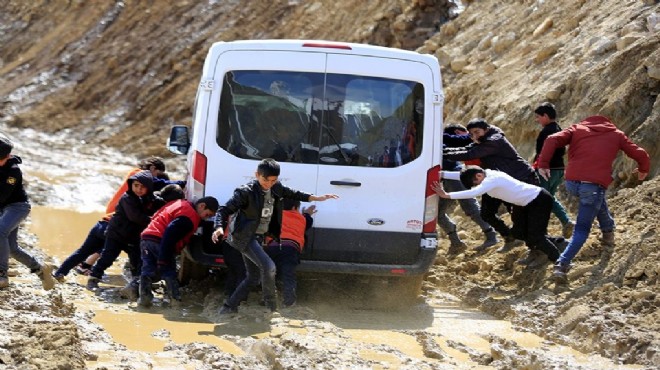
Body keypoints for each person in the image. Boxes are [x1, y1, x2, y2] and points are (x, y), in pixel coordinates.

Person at [211, 158, 338, 313]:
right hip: (243, 236)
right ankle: (272, 310)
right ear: (257, 175)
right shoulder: (245, 192)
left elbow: (294, 193)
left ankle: (228, 307)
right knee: (269, 267)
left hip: (258, 237)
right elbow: (223, 210)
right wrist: (218, 227)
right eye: (265, 180)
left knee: (253, 277)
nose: (269, 184)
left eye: (273, 180)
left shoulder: (276, 187)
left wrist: (317, 198)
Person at [537, 115, 650, 284]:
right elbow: (640, 153)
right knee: (582, 228)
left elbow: (552, 139)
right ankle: (562, 264)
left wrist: (543, 163)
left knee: (595, 201)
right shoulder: (616, 134)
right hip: (593, 186)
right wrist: (643, 169)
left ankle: (608, 233)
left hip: (572, 184)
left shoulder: (577, 129)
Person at [71, 157, 185, 276]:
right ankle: (86, 265)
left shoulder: (136, 175)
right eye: (157, 173)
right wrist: (181, 183)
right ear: (152, 168)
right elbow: (159, 184)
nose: (155, 176)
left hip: (118, 209)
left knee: (110, 243)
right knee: (112, 242)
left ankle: (86, 265)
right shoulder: (140, 176)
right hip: (120, 211)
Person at [433, 166, 564, 268]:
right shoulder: (483, 174)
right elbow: (464, 174)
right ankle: (544, 248)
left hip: (538, 200)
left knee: (536, 235)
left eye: (476, 182)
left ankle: (560, 261)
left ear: (479, 176)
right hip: (523, 204)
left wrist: (447, 195)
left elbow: (475, 192)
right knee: (518, 232)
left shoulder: (492, 179)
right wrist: (442, 174)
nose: (478, 185)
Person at [443, 118, 537, 254]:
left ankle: (538, 249)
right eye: (471, 134)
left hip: (520, 179)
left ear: (486, 129)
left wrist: (443, 153)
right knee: (487, 213)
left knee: (523, 217)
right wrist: (445, 152)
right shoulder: (482, 140)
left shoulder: (494, 140)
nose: (474, 137)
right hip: (496, 182)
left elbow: (470, 153)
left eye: (477, 132)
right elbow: (466, 149)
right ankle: (509, 238)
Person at [86, 170, 164, 291]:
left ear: (149, 187)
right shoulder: (127, 198)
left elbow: (162, 204)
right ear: (131, 185)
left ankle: (137, 284)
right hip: (117, 234)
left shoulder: (152, 200)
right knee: (108, 257)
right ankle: (93, 278)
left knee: (137, 260)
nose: (139, 189)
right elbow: (136, 217)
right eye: (136, 185)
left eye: (142, 187)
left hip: (134, 236)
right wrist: (157, 221)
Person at [138, 196, 219, 307]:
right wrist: (163, 258)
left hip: (147, 237)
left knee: (147, 269)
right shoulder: (188, 219)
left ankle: (144, 300)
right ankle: (175, 301)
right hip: (160, 241)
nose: (206, 218)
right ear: (202, 206)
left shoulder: (183, 205)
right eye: (208, 215)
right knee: (169, 271)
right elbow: (169, 234)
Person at [0, 136, 55, 290]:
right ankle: (41, 270)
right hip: (4, 209)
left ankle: (2, 275)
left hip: (18, 207)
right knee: (12, 249)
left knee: (0, 232)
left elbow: (2, 195)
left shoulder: (13, 171)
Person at [439, 124, 498, 254]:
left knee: (470, 207)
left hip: (454, 176)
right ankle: (456, 242)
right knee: (438, 213)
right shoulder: (437, 140)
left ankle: (491, 236)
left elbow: (461, 141)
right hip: (445, 179)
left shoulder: (440, 139)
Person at [532, 103, 575, 238]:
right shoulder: (559, 129)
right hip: (559, 169)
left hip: (547, 170)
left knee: (542, 199)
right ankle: (565, 222)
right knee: (549, 198)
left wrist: (540, 167)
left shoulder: (546, 132)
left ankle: (542, 232)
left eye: (538, 117)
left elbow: (541, 153)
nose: (537, 120)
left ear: (545, 116)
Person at [263, 199, 315, 308]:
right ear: (294, 208)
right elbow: (308, 222)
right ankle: (289, 302)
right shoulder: (301, 218)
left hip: (272, 247)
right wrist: (307, 214)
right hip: (290, 249)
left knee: (270, 274)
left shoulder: (273, 216)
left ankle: (267, 300)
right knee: (288, 275)